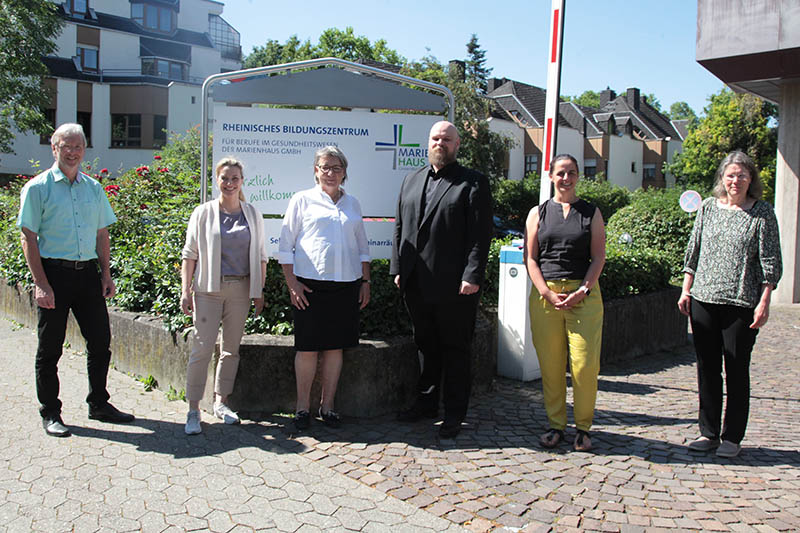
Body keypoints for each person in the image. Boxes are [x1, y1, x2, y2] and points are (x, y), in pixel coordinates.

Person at [17, 123, 134, 437]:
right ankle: (51, 413)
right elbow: (29, 238)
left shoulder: (93, 188)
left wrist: (106, 274)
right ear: (54, 148)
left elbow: (102, 233)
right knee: (50, 349)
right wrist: (41, 283)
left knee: (100, 343)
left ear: (84, 150)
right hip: (53, 275)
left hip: (88, 277)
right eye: (66, 146)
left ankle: (98, 403)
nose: (72, 152)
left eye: (78, 146)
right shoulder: (38, 188)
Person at [390, 120, 493, 439]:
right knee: (425, 345)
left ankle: (454, 413)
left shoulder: (472, 182)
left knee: (455, 349)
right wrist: (396, 268)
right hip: (415, 283)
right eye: (436, 138)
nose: (440, 143)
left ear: (457, 144)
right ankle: (426, 403)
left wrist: (472, 275)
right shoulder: (411, 179)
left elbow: (480, 236)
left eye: (447, 139)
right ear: (428, 142)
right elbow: (399, 228)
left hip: (455, 286)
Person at [678, 151, 782, 458]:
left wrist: (764, 303)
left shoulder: (762, 213)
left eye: (742, 175)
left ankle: (732, 437)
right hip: (703, 300)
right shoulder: (708, 208)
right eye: (730, 175)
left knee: (736, 370)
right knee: (707, 369)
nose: (735, 181)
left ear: (751, 180)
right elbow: (693, 251)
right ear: (722, 178)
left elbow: (770, 263)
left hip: (741, 304)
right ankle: (708, 432)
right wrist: (686, 290)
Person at [278, 146, 370, 430]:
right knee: (307, 349)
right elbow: (285, 246)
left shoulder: (352, 203)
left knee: (334, 349)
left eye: (337, 168)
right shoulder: (301, 200)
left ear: (345, 173)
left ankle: (327, 407)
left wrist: (365, 281)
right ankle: (302, 408)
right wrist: (292, 283)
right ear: (315, 170)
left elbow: (363, 248)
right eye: (325, 167)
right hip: (309, 287)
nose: (330, 173)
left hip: (346, 286)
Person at [523, 154, 605, 452]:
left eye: (571, 173)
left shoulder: (591, 213)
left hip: (583, 295)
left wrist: (584, 288)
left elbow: (598, 257)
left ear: (578, 177)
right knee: (552, 365)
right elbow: (531, 258)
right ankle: (555, 425)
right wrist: (545, 292)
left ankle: (583, 428)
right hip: (547, 297)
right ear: (551, 176)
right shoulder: (538, 213)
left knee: (584, 366)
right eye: (560, 173)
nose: (566, 178)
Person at [181, 157, 267, 435]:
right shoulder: (203, 212)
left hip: (241, 288)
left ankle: (222, 402)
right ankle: (193, 410)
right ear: (216, 180)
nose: (229, 184)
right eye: (224, 178)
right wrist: (185, 291)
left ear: (242, 182)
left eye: (235, 179)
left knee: (231, 350)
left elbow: (262, 257)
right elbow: (189, 254)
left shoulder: (252, 213)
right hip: (208, 289)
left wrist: (259, 291)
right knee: (202, 348)